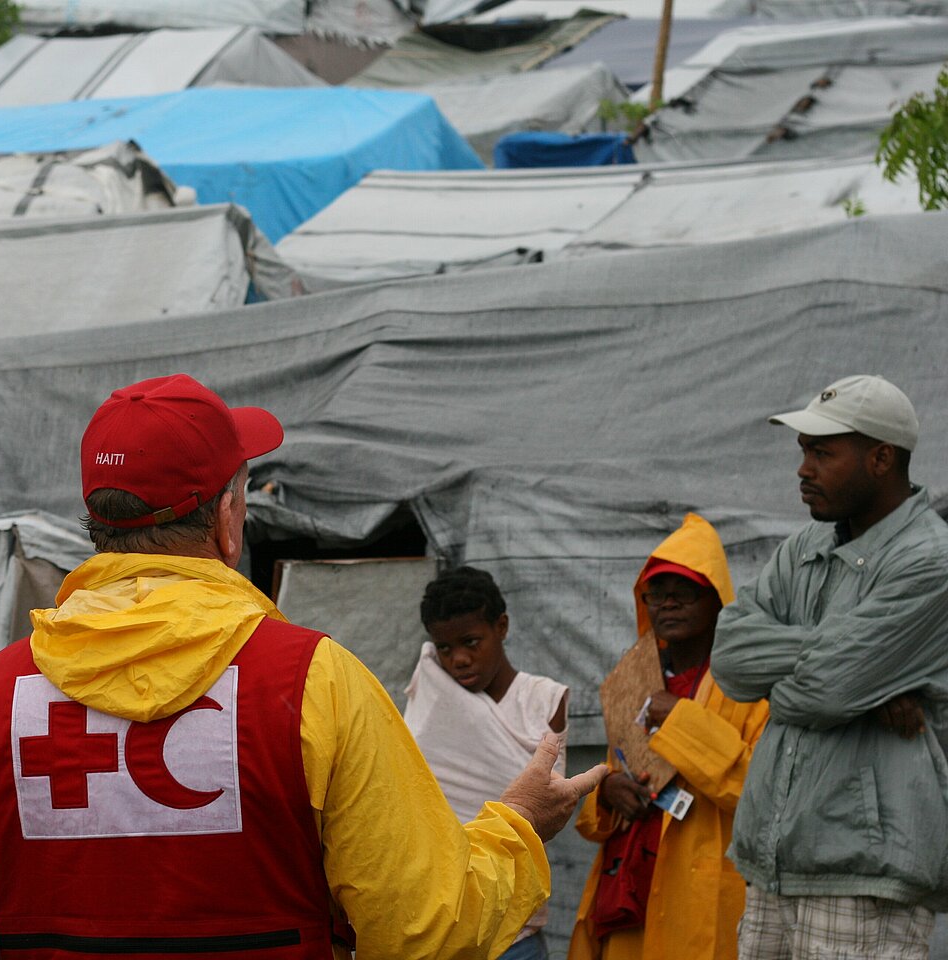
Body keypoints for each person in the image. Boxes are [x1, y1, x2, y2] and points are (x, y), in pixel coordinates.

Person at [0, 373, 607, 959]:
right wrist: (516, 827)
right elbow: (421, 928)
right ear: (227, 519)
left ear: (100, 524)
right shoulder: (316, 681)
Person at [711, 374, 948, 960]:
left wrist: (825, 680)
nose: (803, 468)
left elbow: (823, 691)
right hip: (777, 858)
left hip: (863, 866)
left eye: (822, 452)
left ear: (881, 458)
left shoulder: (930, 559)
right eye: (803, 451)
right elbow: (729, 659)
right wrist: (853, 662)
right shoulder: (804, 548)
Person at [568, 513, 770, 960]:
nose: (668, 604)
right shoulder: (633, 678)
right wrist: (606, 791)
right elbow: (608, 779)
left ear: (717, 600)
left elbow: (763, 792)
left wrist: (679, 720)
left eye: (684, 593)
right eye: (657, 593)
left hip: (699, 896)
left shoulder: (751, 685)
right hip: (627, 895)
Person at [404, 565, 570, 960]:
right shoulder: (430, 685)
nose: (458, 659)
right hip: (442, 920)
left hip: (518, 929)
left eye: (471, 642)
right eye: (445, 649)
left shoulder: (544, 699)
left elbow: (546, 803)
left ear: (502, 626)